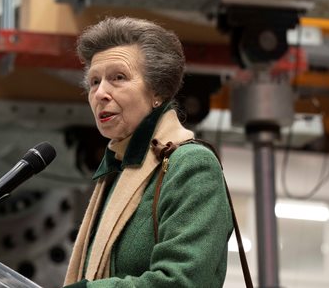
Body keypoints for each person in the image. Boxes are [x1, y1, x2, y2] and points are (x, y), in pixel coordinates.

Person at [63, 16, 232, 288]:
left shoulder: (192, 166)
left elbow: (183, 282)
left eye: (118, 78)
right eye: (94, 82)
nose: (100, 93)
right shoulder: (117, 169)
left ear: (158, 92)